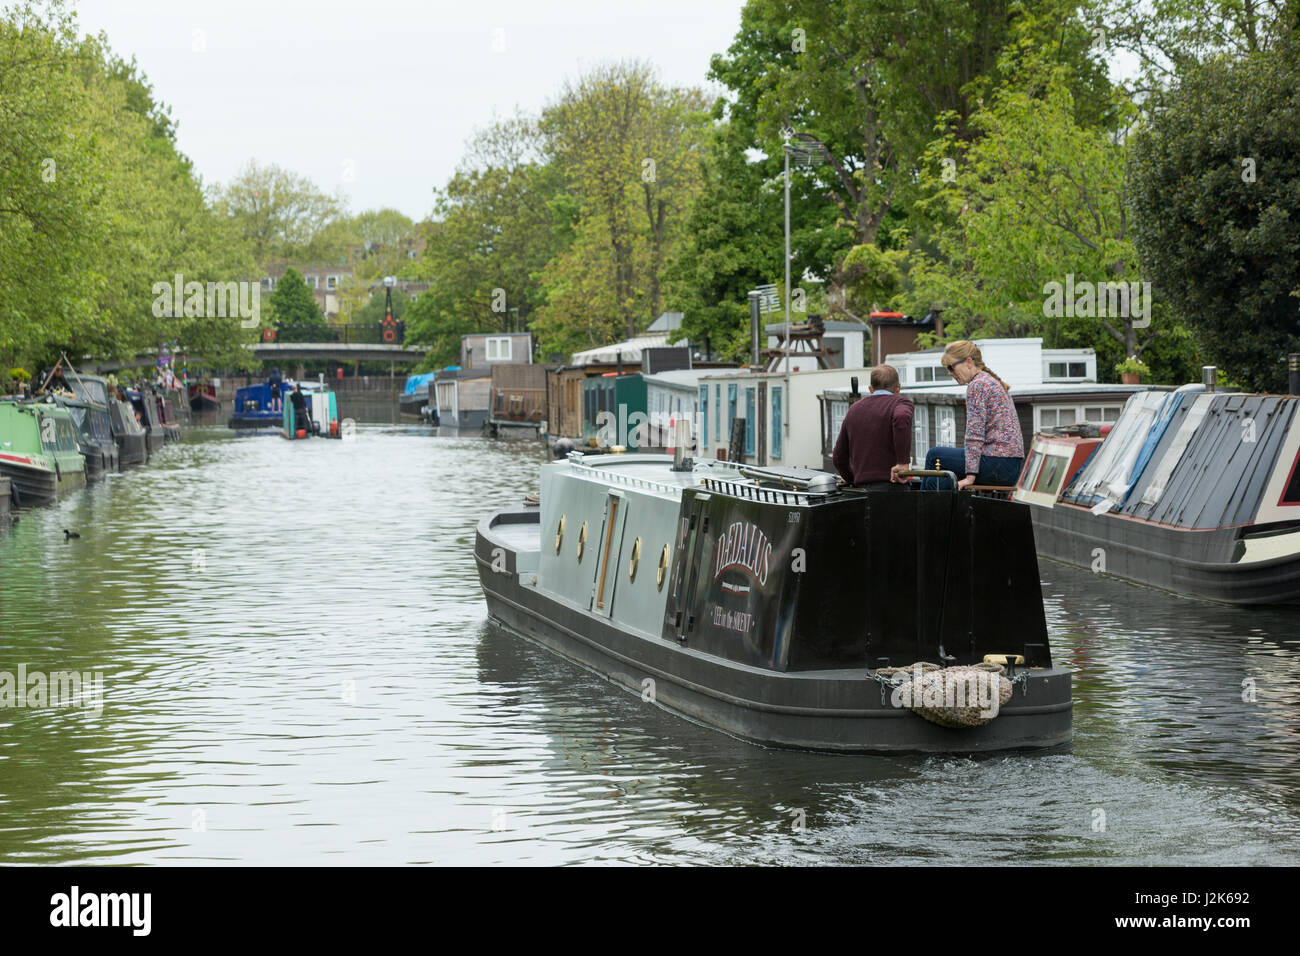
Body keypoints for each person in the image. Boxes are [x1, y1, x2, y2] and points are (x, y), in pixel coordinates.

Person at [905, 340, 1024, 490]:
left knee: (934, 455)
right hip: (1010, 468)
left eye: (951, 367)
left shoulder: (978, 385)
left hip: (997, 464)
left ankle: (921, 511)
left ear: (968, 362)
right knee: (936, 483)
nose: (949, 372)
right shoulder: (990, 381)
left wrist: (970, 477)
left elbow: (974, 434)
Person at [832, 365, 914, 491]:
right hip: (893, 489)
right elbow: (901, 417)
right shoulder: (901, 404)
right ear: (898, 388)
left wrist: (851, 478)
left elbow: (838, 458)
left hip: (861, 492)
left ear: (871, 388)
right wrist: (903, 463)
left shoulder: (854, 409)